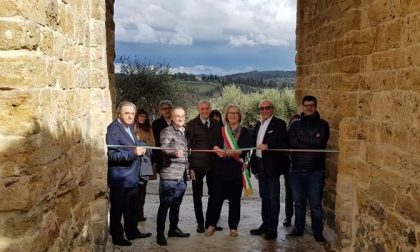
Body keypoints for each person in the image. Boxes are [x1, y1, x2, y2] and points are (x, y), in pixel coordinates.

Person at [106, 101, 152, 246]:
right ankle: (117, 237)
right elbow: (112, 156)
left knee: (131, 208)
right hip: (120, 178)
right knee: (117, 210)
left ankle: (132, 232)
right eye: (127, 113)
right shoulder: (113, 129)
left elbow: (132, 145)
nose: (130, 116)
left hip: (132, 176)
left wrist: (141, 147)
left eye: (132, 113)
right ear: (119, 113)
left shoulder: (130, 127)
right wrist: (133, 153)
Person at [287, 96, 329, 243]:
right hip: (297, 171)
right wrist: (310, 142)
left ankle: (318, 233)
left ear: (316, 106)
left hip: (315, 172)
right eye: (306, 105)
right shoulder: (294, 125)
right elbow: (291, 143)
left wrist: (301, 138)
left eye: (312, 105)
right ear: (302, 107)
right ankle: (298, 229)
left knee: (316, 205)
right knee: (298, 204)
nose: (309, 108)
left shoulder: (323, 125)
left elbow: (319, 143)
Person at [205, 104, 252, 237]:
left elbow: (247, 149)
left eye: (236, 113)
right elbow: (213, 144)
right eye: (230, 113)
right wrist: (216, 149)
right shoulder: (221, 131)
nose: (233, 115)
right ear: (226, 116)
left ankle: (233, 227)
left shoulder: (245, 132)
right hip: (220, 171)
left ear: (239, 115)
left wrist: (236, 152)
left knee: (235, 201)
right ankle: (212, 225)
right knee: (216, 200)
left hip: (236, 171)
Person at [249, 99, 289, 240]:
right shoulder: (258, 124)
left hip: (272, 168)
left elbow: (284, 143)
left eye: (268, 108)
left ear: (273, 109)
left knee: (273, 199)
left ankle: (273, 229)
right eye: (262, 108)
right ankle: (265, 225)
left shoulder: (280, 124)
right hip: (260, 166)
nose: (265, 110)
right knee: (264, 197)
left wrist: (268, 145)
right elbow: (253, 144)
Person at [156, 107, 191, 246]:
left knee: (176, 204)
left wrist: (189, 170)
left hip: (182, 176)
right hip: (169, 175)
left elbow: (187, 154)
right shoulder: (167, 131)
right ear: (172, 117)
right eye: (177, 116)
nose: (180, 118)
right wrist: (175, 152)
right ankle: (160, 234)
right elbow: (164, 148)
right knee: (165, 205)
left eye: (182, 116)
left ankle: (173, 229)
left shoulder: (185, 132)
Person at [185, 100, 222, 233]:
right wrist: (190, 167)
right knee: (197, 196)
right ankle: (200, 224)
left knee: (215, 195)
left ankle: (211, 222)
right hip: (197, 166)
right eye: (202, 108)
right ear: (198, 109)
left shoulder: (216, 124)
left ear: (210, 109)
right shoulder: (191, 125)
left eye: (207, 108)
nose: (205, 111)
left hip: (214, 166)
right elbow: (186, 147)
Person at [134, 109, 155, 222]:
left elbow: (152, 143)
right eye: (141, 116)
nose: (143, 118)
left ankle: (140, 213)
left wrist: (143, 143)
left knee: (143, 186)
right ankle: (133, 213)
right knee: (135, 187)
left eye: (144, 116)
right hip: (135, 160)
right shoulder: (132, 128)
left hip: (146, 160)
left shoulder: (149, 129)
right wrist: (143, 143)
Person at [283, 114, 301, 227]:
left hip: (302, 168)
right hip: (289, 168)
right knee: (289, 195)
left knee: (300, 197)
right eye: (293, 123)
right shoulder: (287, 138)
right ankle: (288, 218)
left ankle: (299, 221)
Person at [152, 100, 173, 175]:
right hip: (162, 159)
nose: (167, 110)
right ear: (160, 111)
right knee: (164, 183)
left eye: (169, 108)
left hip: (176, 159)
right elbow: (154, 142)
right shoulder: (156, 124)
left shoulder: (177, 122)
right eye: (164, 108)